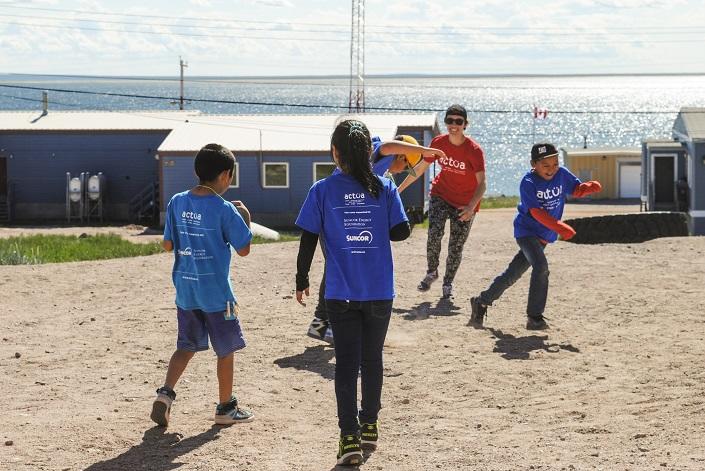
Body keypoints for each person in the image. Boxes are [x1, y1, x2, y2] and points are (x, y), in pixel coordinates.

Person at [294, 119, 411, 466]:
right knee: (372, 359)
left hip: (340, 293)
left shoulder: (322, 190)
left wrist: (302, 278)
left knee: (346, 365)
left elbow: (308, 237)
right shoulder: (385, 186)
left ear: (334, 153)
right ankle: (370, 422)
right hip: (379, 291)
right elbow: (400, 232)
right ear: (368, 154)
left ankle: (349, 437)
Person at [306, 134, 446, 344]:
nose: (402, 171)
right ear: (402, 156)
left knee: (342, 268)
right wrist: (424, 151)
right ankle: (322, 324)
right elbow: (387, 146)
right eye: (406, 165)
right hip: (334, 220)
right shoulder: (373, 155)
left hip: (343, 222)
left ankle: (326, 325)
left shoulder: (381, 173)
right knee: (337, 269)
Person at [151, 143, 255, 427]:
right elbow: (244, 249)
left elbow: (167, 244)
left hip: (186, 291)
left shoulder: (176, 201)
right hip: (217, 295)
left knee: (185, 346)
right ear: (225, 175)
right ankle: (226, 408)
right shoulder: (225, 210)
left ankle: (166, 394)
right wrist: (245, 216)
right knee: (226, 349)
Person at [468, 143, 602, 330]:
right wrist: (560, 227)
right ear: (534, 164)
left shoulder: (562, 174)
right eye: (546, 165)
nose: (551, 169)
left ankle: (481, 302)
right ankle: (534, 317)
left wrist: (589, 187)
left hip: (544, 235)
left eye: (555, 164)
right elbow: (536, 212)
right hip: (527, 232)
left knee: (512, 274)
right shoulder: (528, 182)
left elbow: (576, 189)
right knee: (541, 267)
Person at [398, 104, 486, 299]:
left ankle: (448, 284)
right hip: (441, 195)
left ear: (465, 124)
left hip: (465, 203)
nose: (453, 125)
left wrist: (471, 207)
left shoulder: (474, 151)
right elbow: (420, 168)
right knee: (434, 233)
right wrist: (398, 190)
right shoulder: (438, 143)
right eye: (449, 120)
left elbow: (482, 184)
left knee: (456, 245)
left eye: (458, 121)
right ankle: (432, 272)